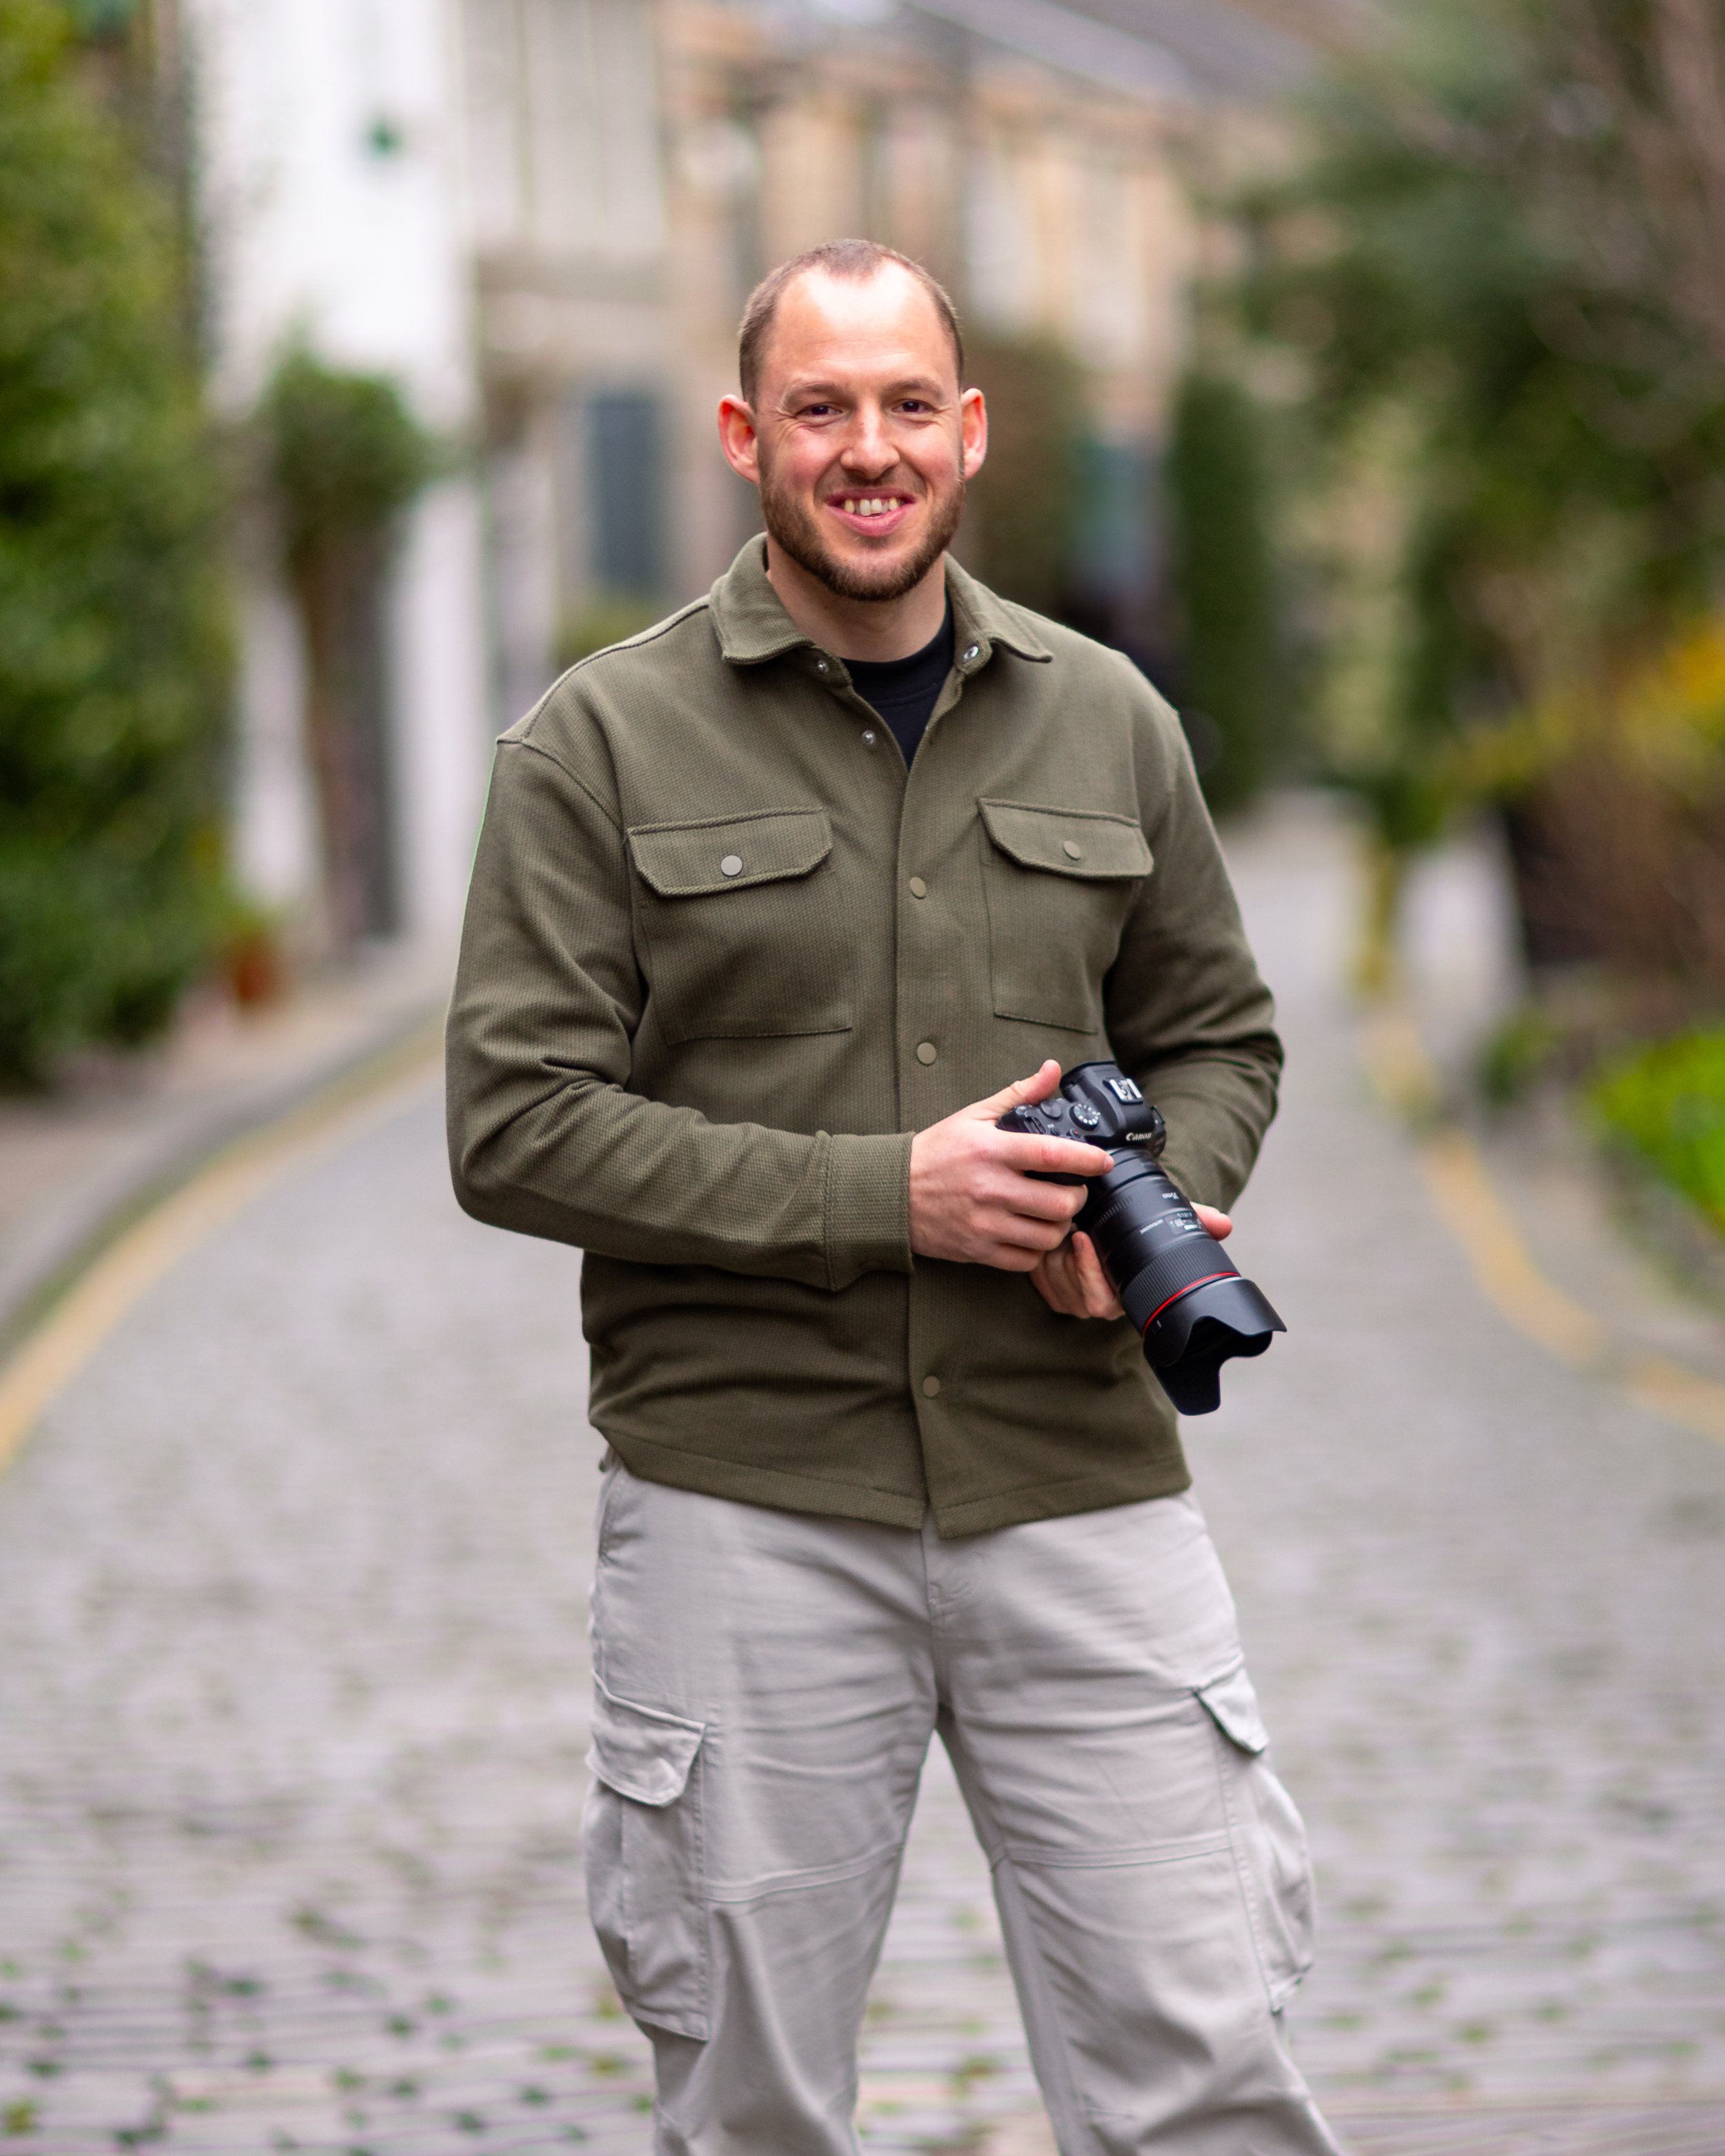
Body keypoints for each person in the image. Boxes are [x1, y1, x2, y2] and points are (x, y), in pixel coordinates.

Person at [446, 239, 1340, 2156]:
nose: (869, 449)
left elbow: (1220, 1039)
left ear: (971, 431)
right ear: (741, 435)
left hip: (1080, 1490)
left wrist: (1156, 1205)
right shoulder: (592, 746)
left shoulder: (1111, 719)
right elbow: (511, 1122)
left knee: (1207, 2079)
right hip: (743, 1508)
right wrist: (889, 1198)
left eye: (906, 404)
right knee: (754, 2108)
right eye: (823, 407)